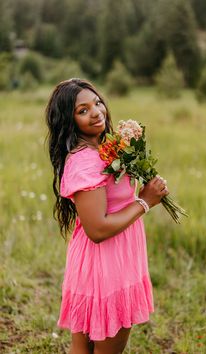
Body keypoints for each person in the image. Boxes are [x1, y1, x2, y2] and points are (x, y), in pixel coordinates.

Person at [45, 78, 169, 354]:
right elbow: (98, 229)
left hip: (101, 263)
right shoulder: (86, 162)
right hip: (107, 268)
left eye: (97, 102)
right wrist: (146, 202)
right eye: (83, 110)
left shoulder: (101, 150)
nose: (97, 112)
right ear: (69, 119)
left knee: (84, 348)